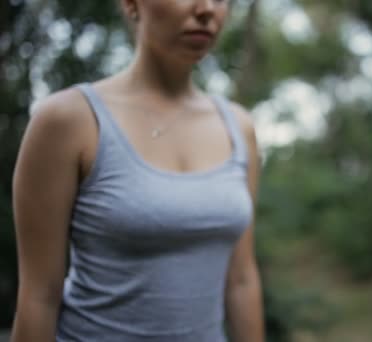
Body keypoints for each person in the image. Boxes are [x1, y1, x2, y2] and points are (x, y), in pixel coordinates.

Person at [10, 0, 265, 341]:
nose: (207, 9)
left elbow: (241, 279)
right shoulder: (68, 121)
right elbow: (39, 297)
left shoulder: (239, 128)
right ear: (131, 4)